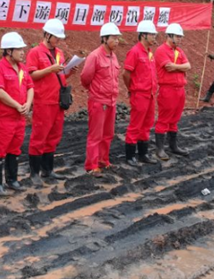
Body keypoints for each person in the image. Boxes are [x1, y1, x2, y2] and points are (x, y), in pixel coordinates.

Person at [26, 19, 73, 186]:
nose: (58, 40)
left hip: (58, 101)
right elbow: (31, 75)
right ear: (47, 35)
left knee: (53, 136)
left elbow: (59, 76)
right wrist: (50, 69)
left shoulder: (59, 52)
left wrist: (69, 71)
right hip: (43, 101)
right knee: (39, 136)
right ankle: (34, 173)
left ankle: (48, 170)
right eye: (56, 37)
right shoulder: (35, 53)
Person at [0, 32, 34, 196]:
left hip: (19, 117)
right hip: (4, 117)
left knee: (15, 148)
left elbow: (30, 87)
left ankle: (12, 179)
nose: (23, 53)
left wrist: (28, 103)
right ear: (9, 51)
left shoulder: (22, 68)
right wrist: (17, 105)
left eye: (23, 49)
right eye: (19, 49)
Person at [80, 22, 121, 177]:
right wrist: (95, 90)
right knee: (96, 135)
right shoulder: (95, 56)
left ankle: (103, 161)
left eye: (117, 38)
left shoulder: (113, 56)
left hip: (111, 100)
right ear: (104, 38)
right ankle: (92, 165)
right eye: (114, 38)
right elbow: (85, 77)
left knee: (108, 133)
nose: (117, 41)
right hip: (98, 101)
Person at [122, 20, 158, 167]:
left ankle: (143, 154)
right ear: (143, 35)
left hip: (150, 94)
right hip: (139, 94)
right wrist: (131, 89)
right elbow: (126, 74)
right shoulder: (135, 52)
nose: (154, 37)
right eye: (152, 34)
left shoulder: (149, 52)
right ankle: (130, 156)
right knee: (136, 124)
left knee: (147, 124)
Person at [154, 23, 192, 160]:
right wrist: (181, 67)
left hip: (180, 90)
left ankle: (173, 146)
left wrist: (176, 66)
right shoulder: (161, 50)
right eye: (178, 36)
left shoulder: (179, 51)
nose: (180, 39)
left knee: (174, 119)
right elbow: (167, 67)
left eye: (181, 36)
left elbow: (188, 66)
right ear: (169, 36)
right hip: (168, 89)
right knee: (164, 119)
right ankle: (159, 149)